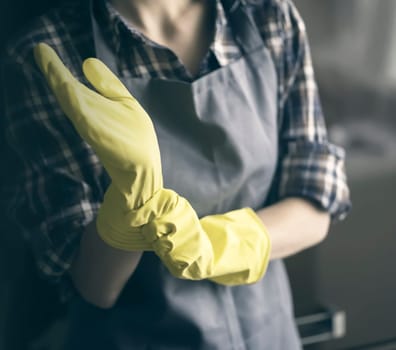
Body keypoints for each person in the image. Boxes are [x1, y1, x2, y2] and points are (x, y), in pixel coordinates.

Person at [1, 0, 351, 349]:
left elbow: (314, 198)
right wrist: (128, 205)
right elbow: (93, 286)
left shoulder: (266, 14)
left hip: (268, 335)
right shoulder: (46, 53)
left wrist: (217, 247)